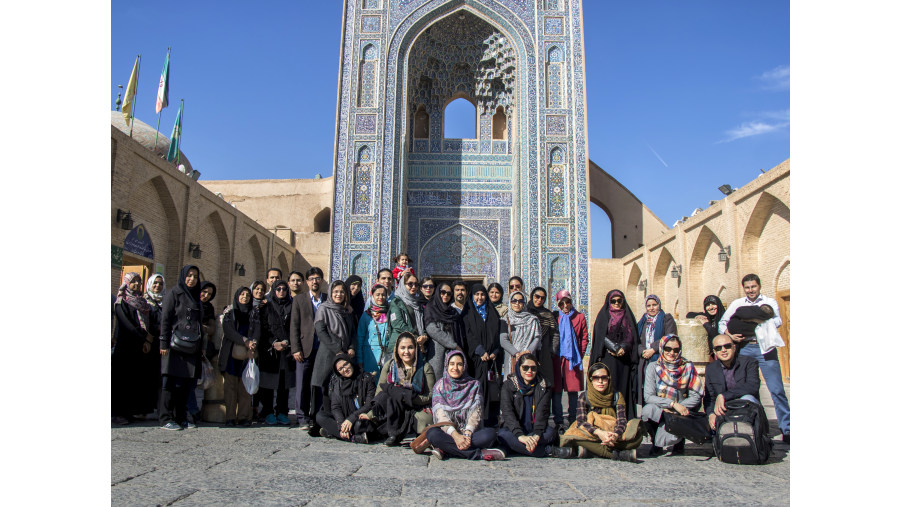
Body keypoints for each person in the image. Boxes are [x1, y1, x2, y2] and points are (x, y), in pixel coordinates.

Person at [719, 273, 790, 444]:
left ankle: (787, 428)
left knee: (776, 390)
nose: (751, 290)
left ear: (759, 286)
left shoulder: (770, 302)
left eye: (754, 287)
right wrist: (731, 335)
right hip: (744, 348)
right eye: (747, 287)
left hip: (764, 348)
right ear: (744, 288)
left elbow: (777, 320)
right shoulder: (737, 304)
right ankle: (758, 426)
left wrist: (746, 318)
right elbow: (723, 323)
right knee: (748, 389)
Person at [426, 350, 504, 461]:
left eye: (459, 364)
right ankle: (477, 454)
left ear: (464, 366)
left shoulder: (474, 385)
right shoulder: (439, 386)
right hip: (449, 433)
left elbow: (476, 413)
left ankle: (446, 449)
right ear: (446, 366)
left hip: (470, 434)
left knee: (489, 434)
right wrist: (456, 436)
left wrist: (467, 433)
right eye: (452, 364)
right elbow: (440, 416)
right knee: (432, 434)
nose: (455, 368)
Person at [560, 362, 645, 461]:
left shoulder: (617, 396)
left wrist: (615, 435)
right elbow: (581, 421)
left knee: (637, 435)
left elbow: (622, 420)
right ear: (590, 380)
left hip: (612, 433)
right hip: (593, 434)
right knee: (573, 435)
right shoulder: (584, 397)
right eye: (596, 378)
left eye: (604, 378)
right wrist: (600, 433)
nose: (600, 381)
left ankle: (591, 451)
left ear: (609, 379)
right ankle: (617, 455)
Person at [497, 353, 573, 458]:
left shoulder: (543, 385)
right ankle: (548, 451)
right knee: (502, 435)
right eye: (525, 368)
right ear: (519, 368)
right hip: (514, 430)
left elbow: (543, 413)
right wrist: (520, 436)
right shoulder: (508, 385)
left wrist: (536, 435)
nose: (529, 371)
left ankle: (517, 447)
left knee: (550, 433)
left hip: (535, 430)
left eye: (533, 368)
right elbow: (507, 413)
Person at [158, 265, 204, 430]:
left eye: (195, 276)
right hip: (174, 346)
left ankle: (181, 417)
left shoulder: (195, 297)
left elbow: (199, 324)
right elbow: (165, 319)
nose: (192, 279)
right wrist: (163, 343)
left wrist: (201, 347)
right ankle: (165, 418)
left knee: (185, 385)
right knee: (170, 383)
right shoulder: (174, 293)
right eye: (189, 275)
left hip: (191, 347)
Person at [369, 332, 435, 446]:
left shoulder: (425, 367)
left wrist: (406, 398)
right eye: (402, 348)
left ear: (416, 348)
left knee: (423, 420)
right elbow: (380, 392)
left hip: (416, 406)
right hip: (392, 407)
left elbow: (430, 395)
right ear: (397, 350)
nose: (406, 352)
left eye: (410, 347)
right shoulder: (389, 366)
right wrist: (371, 413)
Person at [642, 334, 703, 456]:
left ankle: (679, 442)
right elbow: (648, 396)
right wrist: (671, 404)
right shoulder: (653, 367)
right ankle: (656, 443)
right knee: (647, 411)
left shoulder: (687, 367)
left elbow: (696, 395)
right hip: (662, 406)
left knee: (679, 418)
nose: (671, 353)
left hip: (681, 408)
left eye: (675, 350)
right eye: (668, 349)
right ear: (661, 349)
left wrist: (678, 408)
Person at [312, 280, 358, 434]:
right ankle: (323, 423)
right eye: (336, 292)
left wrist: (351, 347)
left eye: (342, 292)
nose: (339, 294)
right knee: (326, 390)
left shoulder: (347, 310)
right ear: (331, 293)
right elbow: (321, 331)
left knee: (339, 391)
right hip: (328, 356)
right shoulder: (324, 309)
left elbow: (352, 332)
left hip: (343, 356)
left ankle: (334, 424)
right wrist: (337, 349)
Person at [112, 272, 157, 424]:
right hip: (124, 348)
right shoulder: (121, 302)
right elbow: (126, 324)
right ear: (127, 283)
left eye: (139, 282)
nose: (137, 285)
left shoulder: (142, 303)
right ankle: (118, 413)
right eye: (134, 282)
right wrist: (144, 338)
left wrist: (148, 341)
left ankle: (130, 412)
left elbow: (148, 323)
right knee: (122, 382)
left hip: (139, 348)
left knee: (133, 381)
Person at [589, 289, 639, 419]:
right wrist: (614, 347)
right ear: (609, 302)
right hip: (608, 359)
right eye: (613, 301)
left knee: (622, 390)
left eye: (619, 301)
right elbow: (600, 336)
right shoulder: (603, 316)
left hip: (624, 361)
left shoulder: (627, 316)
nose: (616, 303)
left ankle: (624, 420)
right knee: (608, 387)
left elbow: (631, 336)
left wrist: (623, 347)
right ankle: (608, 419)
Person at [289, 267, 327, 432]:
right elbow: (294, 325)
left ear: (321, 280)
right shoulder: (299, 299)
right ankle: (302, 417)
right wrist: (295, 348)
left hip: (322, 349)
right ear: (307, 281)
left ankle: (316, 416)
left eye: (317, 278)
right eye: (311, 278)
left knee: (319, 385)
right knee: (303, 384)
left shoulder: (327, 299)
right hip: (305, 349)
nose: (314, 281)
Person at [462, 284, 504, 425]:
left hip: (491, 360)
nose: (479, 298)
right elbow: (467, 335)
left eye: (482, 294)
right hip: (475, 360)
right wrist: (480, 351)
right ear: (472, 296)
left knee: (492, 391)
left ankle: (491, 421)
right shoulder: (467, 314)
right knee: (477, 390)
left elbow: (499, 334)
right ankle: (475, 421)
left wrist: (495, 352)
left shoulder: (492, 313)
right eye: (476, 294)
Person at [255, 280, 296, 425]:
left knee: (283, 385)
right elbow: (263, 328)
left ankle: (282, 412)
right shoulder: (266, 307)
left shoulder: (292, 306)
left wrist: (286, 342)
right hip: (270, 351)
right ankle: (267, 412)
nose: (281, 292)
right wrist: (274, 343)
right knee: (268, 383)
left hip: (286, 351)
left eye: (284, 289)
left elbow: (294, 326)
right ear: (273, 290)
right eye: (278, 289)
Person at [703, 334, 761, 431]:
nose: (723, 350)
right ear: (714, 352)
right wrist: (710, 414)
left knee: (748, 398)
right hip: (724, 410)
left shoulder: (749, 363)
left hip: (746, 408)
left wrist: (724, 396)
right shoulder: (711, 369)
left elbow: (752, 386)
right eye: (718, 348)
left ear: (734, 348)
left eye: (727, 346)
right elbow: (709, 397)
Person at [316, 354, 377, 443]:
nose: (345, 369)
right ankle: (354, 438)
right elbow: (336, 407)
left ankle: (332, 433)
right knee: (320, 416)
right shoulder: (337, 383)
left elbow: (369, 404)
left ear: (350, 362)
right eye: (340, 369)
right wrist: (341, 424)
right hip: (345, 417)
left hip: (361, 417)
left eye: (346, 364)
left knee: (358, 426)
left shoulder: (366, 378)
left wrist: (351, 419)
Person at [219, 286, 257, 426]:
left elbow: (257, 331)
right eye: (242, 294)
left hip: (248, 354)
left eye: (247, 295)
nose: (245, 297)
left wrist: (253, 344)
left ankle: (243, 417)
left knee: (245, 387)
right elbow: (229, 331)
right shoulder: (230, 313)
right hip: (231, 354)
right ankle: (229, 416)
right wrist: (244, 341)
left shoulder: (254, 313)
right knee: (230, 387)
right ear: (237, 296)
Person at [552, 290, 588, 429]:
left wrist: (580, 353)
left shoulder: (579, 317)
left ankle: (573, 419)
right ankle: (558, 421)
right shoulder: (555, 317)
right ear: (558, 303)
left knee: (573, 391)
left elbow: (584, 337)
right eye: (562, 303)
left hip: (572, 359)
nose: (565, 305)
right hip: (557, 358)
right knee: (557, 391)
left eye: (568, 302)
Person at [186, 281, 218, 426]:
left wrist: (201, 327)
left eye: (209, 294)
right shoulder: (188, 302)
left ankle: (192, 410)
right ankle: (191, 411)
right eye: (204, 292)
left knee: (192, 380)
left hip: (200, 347)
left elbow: (211, 328)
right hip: (186, 346)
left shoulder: (208, 308)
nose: (205, 296)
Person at [635, 294, 676, 408]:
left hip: (660, 359)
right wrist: (642, 351)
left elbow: (669, 337)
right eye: (649, 306)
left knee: (660, 388)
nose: (651, 308)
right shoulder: (643, 321)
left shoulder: (666, 319)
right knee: (647, 388)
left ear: (659, 305)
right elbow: (636, 340)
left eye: (654, 305)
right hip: (645, 360)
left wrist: (653, 349)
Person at [423, 281, 466, 379]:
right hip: (437, 353)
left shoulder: (452, 311)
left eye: (449, 293)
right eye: (443, 292)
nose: (446, 295)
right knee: (437, 381)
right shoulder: (431, 308)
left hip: (453, 354)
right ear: (438, 292)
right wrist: (453, 345)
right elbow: (432, 329)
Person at [500, 290, 541, 375]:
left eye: (520, 301)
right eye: (514, 301)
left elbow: (537, 337)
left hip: (529, 358)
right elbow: (503, 340)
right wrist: (516, 353)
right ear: (510, 302)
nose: (517, 303)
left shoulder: (532, 320)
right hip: (512, 358)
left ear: (524, 303)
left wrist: (528, 351)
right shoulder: (505, 320)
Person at [527, 287, 559, 390]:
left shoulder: (548, 314)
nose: (539, 300)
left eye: (542, 298)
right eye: (537, 297)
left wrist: (551, 350)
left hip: (544, 352)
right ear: (532, 296)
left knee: (544, 384)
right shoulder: (525, 312)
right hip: (528, 351)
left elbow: (555, 333)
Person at [387, 271, 427, 354]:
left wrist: (424, 336)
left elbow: (422, 323)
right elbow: (398, 324)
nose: (414, 287)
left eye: (416, 284)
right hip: (400, 345)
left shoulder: (417, 303)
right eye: (410, 284)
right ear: (403, 285)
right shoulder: (396, 302)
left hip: (415, 346)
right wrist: (416, 337)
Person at [356, 284, 390, 374]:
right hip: (369, 356)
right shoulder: (366, 315)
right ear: (372, 296)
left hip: (387, 356)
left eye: (383, 295)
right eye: (377, 294)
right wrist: (359, 359)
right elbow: (360, 338)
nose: (380, 297)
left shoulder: (390, 313)